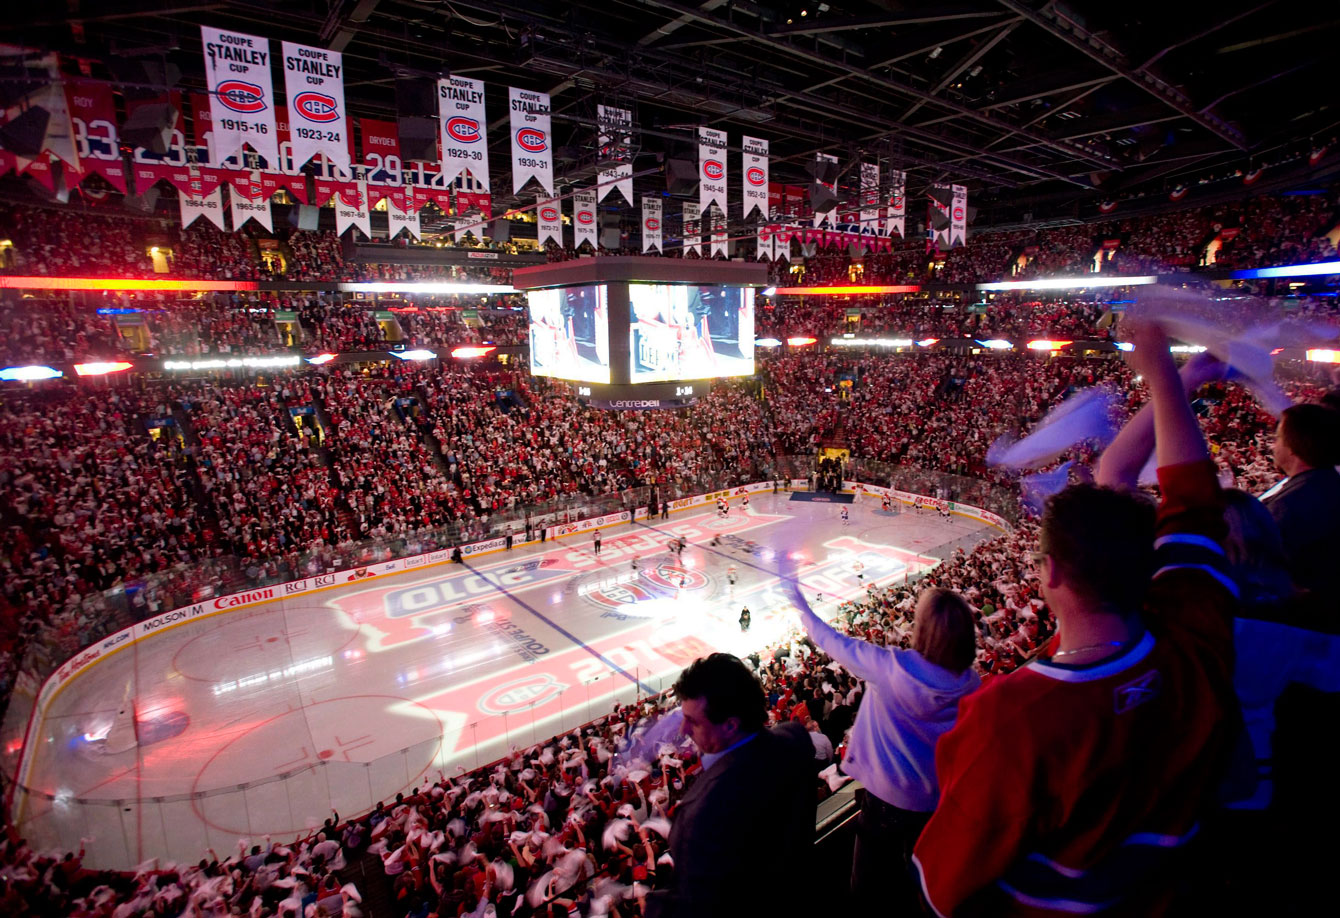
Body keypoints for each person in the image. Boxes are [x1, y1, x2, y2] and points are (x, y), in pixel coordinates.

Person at [913, 320, 1239, 916]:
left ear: (1053, 576)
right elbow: (1188, 499)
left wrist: (1166, 368)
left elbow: (942, 887)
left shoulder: (1008, 717)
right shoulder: (1194, 641)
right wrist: (1174, 375)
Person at [797, 587, 979, 915]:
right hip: (938, 800)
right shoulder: (971, 683)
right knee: (921, 879)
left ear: (923, 629)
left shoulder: (890, 668)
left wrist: (800, 605)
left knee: (869, 891)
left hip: (886, 804)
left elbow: (833, 642)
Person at [646, 654, 814, 918]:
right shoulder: (795, 738)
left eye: (693, 721)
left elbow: (692, 905)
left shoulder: (703, 813)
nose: (683, 729)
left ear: (731, 725)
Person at [1261, 401, 1340, 593]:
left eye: (1278, 437)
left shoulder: (1287, 508)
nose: (1274, 445)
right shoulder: (1331, 483)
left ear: (1293, 447)